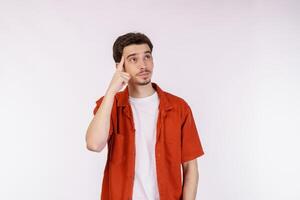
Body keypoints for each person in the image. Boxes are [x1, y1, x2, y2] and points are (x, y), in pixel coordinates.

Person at [85, 32, 205, 200]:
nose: (143, 65)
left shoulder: (178, 108)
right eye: (133, 59)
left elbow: (190, 167)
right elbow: (94, 144)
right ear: (120, 66)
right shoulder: (111, 105)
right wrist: (112, 89)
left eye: (147, 57)